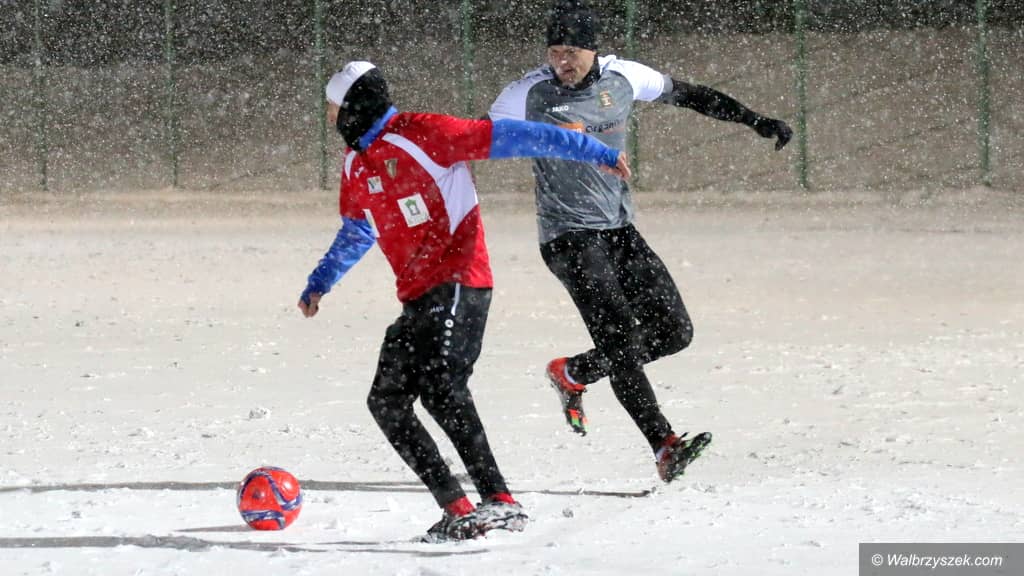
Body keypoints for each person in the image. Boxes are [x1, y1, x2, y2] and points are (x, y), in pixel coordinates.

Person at [298, 60, 631, 542]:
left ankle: (501, 502)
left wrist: (594, 150)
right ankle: (457, 508)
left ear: (354, 106)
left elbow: (519, 136)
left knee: (443, 388)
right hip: (416, 298)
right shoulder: (356, 164)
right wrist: (321, 281)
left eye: (334, 108)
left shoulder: (425, 133)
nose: (330, 119)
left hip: (460, 282)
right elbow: (357, 230)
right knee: (386, 402)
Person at [487, 0, 793, 483]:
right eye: (555, 52)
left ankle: (574, 372)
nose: (563, 62)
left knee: (674, 332)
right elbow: (481, 138)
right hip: (568, 237)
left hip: (619, 230)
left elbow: (691, 95)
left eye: (572, 52)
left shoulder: (624, 77)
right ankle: (664, 446)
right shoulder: (526, 92)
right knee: (620, 340)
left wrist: (755, 120)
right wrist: (551, 139)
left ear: (593, 50)